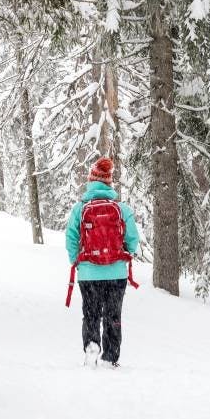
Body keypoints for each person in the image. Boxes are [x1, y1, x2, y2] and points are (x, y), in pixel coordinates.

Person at [65, 157, 139, 368]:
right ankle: (110, 357)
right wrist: (125, 255)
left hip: (89, 273)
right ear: (109, 183)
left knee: (91, 314)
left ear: (91, 182)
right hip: (116, 273)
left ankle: (91, 345)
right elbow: (133, 239)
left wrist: (76, 261)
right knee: (113, 316)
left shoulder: (80, 208)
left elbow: (70, 237)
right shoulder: (121, 208)